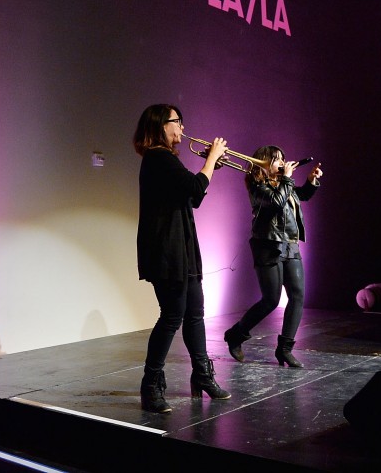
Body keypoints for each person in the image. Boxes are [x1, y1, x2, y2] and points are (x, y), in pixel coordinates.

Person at [132, 104, 231, 413]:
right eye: (178, 122)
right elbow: (194, 186)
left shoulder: (166, 161)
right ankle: (151, 385)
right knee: (173, 316)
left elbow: (194, 196)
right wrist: (212, 159)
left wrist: (212, 166)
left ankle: (202, 375)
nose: (183, 129)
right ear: (161, 125)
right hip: (166, 249)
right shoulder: (158, 158)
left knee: (195, 313)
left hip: (181, 247)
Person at [223, 146, 322, 368]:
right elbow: (276, 202)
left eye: (282, 159)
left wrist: (311, 181)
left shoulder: (284, 184)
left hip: (290, 245)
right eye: (276, 159)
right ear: (263, 163)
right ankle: (236, 334)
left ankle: (285, 349)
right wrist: (287, 179)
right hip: (267, 246)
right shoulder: (257, 186)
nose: (281, 162)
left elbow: (300, 195)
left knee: (297, 296)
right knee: (271, 300)